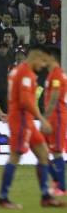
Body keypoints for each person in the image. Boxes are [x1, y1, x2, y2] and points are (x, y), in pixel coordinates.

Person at [0, 45, 65, 209]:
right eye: (42, 61)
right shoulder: (25, 74)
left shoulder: (19, 71)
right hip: (21, 120)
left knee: (43, 153)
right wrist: (42, 119)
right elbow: (26, 101)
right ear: (36, 56)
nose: (43, 65)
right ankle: (3, 198)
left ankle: (46, 197)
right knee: (15, 156)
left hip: (26, 120)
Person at [43, 47, 66, 196]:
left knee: (56, 152)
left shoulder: (57, 74)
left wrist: (46, 116)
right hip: (52, 117)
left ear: (52, 58)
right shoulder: (52, 74)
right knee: (42, 151)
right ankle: (58, 181)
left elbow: (55, 96)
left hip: (56, 116)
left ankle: (61, 186)